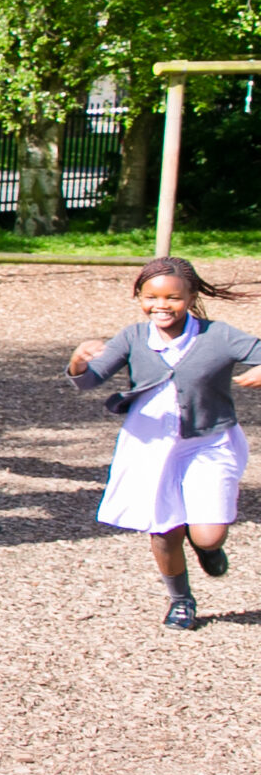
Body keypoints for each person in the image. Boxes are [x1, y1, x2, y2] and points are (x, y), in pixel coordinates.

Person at [68, 257, 261, 630]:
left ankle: (206, 545)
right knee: (163, 527)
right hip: (149, 446)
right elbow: (89, 380)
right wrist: (78, 360)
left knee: (208, 533)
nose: (162, 305)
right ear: (139, 297)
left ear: (191, 297)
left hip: (208, 442)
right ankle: (180, 600)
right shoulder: (133, 337)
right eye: (151, 297)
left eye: (173, 297)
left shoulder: (217, 336)